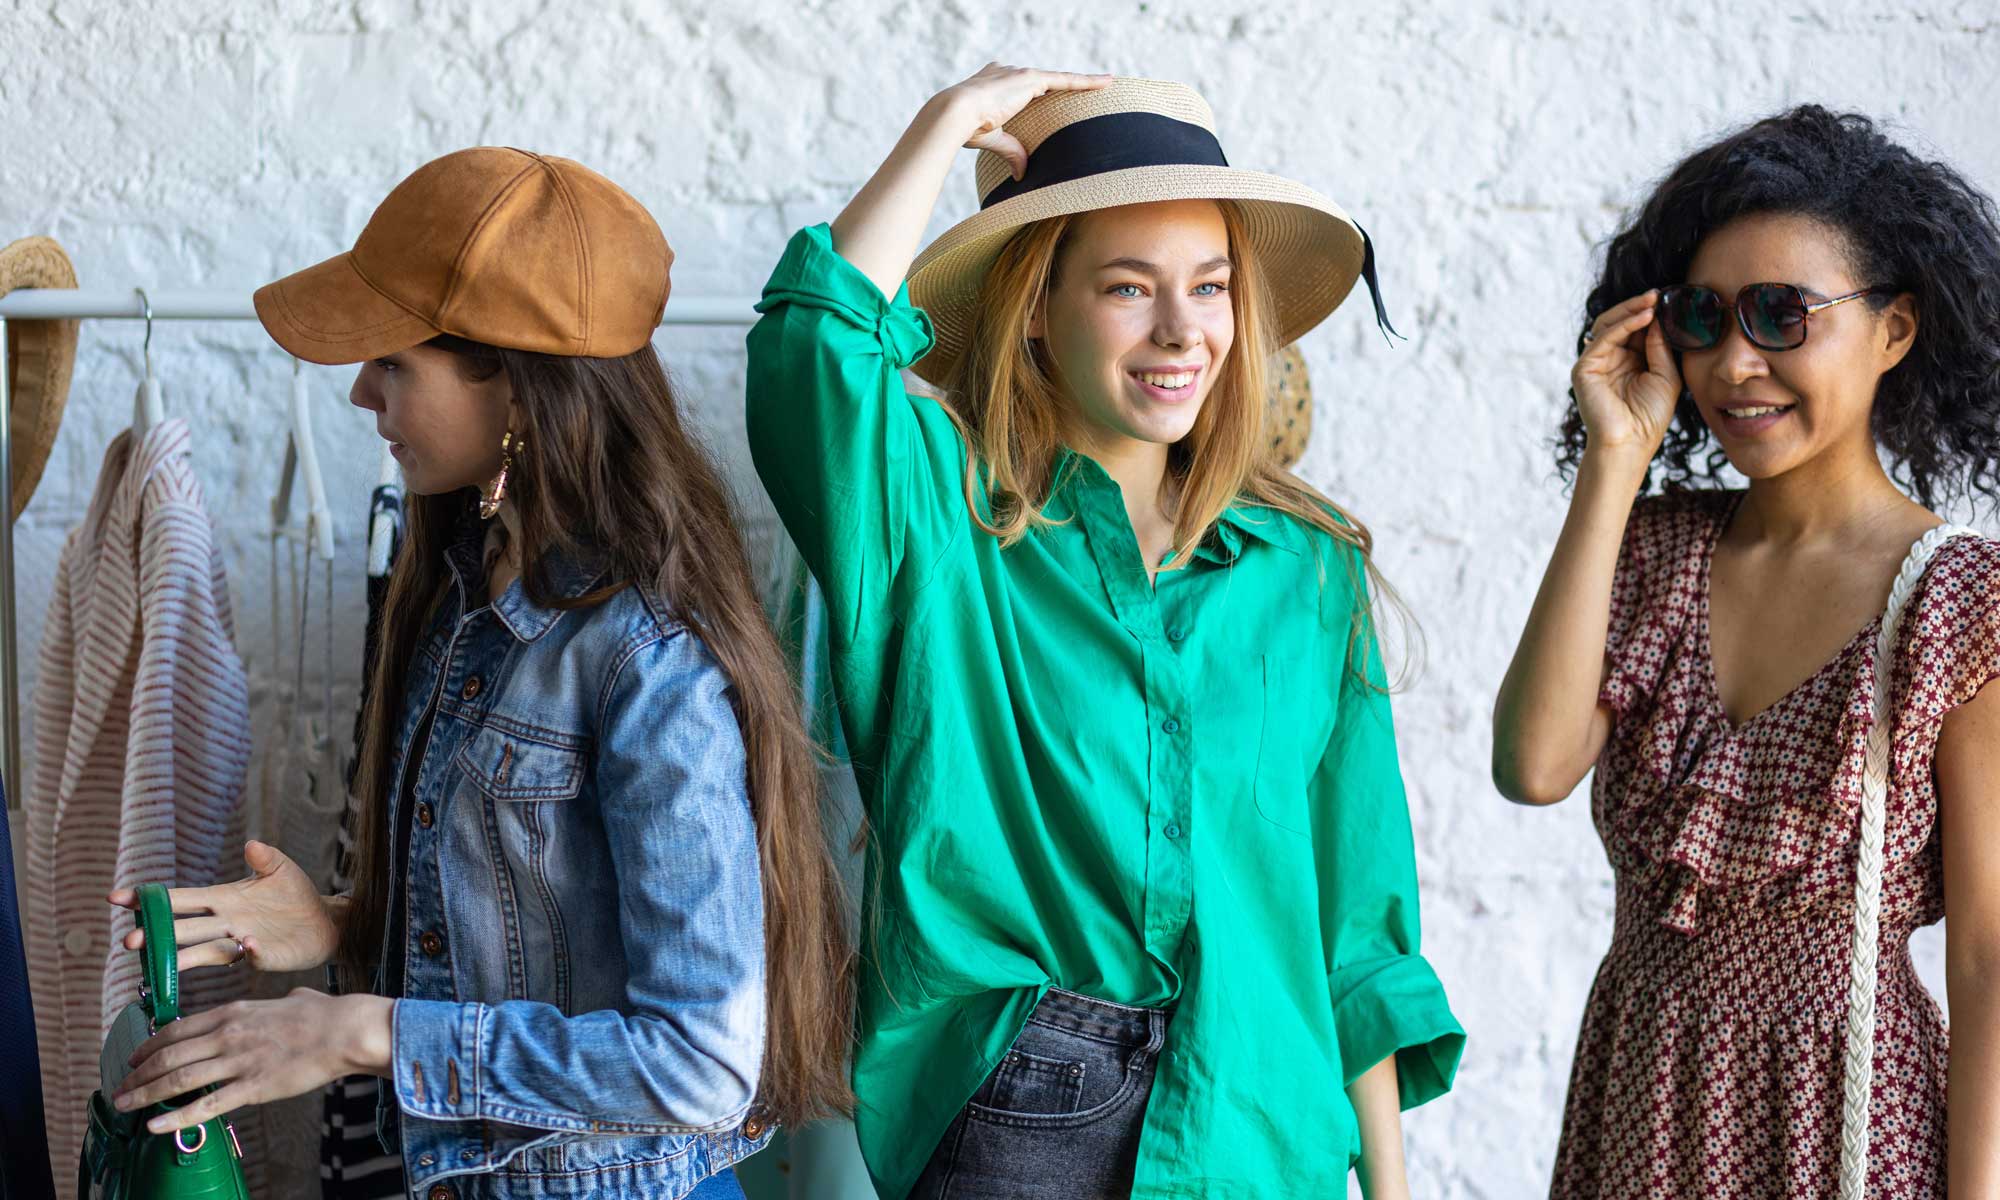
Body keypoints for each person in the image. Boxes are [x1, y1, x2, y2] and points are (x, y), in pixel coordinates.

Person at [746, 67, 1464, 1199]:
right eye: (1128, 289)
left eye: (1211, 286)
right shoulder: (944, 528)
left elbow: (1355, 921)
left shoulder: (1308, 569)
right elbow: (811, 360)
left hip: (1260, 1127)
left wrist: (1390, 1186)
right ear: (1035, 306)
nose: (1182, 329)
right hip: (1024, 1116)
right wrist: (940, 125)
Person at [106, 146, 854, 1200]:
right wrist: (344, 921)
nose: (361, 391)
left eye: (393, 362)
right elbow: (543, 926)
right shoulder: (465, 594)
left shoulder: (649, 659)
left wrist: (368, 1032)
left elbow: (700, 1065)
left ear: (514, 383)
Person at [1492, 106, 2000, 1197]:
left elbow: (1987, 955)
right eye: (1701, 316)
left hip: (1847, 1118)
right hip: (1637, 1097)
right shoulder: (1652, 550)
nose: (1733, 361)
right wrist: (1611, 464)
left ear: (1894, 331)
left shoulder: (1961, 601)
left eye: (1780, 315)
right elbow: (1532, 767)